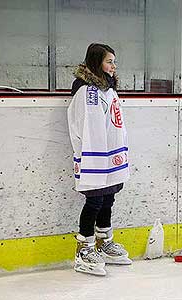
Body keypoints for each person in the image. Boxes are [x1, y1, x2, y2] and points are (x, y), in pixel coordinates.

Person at [67, 43, 131, 276]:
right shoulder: (88, 91)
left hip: (110, 154)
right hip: (94, 155)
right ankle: (84, 248)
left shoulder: (107, 89)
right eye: (109, 61)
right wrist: (95, 157)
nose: (114, 66)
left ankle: (104, 242)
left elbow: (114, 123)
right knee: (94, 201)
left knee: (108, 198)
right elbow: (88, 127)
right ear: (96, 62)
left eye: (114, 61)